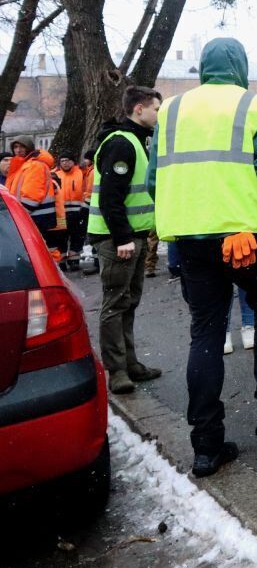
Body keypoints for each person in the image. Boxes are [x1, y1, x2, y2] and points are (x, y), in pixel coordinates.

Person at [149, 38, 257, 478]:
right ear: (239, 67)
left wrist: (180, 225)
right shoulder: (254, 107)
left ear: (202, 68)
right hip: (248, 237)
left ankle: (206, 446)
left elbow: (154, 180)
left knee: (205, 334)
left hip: (192, 239)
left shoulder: (170, 111)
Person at [86, 86, 165, 394]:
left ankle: (130, 363)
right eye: (155, 109)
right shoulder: (121, 143)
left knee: (128, 303)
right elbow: (110, 197)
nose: (159, 114)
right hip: (118, 239)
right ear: (139, 109)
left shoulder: (135, 141)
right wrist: (121, 237)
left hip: (134, 236)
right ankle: (117, 370)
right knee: (116, 303)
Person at [8, 136, 59, 250]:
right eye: (15, 147)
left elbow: (32, 196)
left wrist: (19, 214)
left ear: (29, 148)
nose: (18, 150)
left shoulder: (34, 165)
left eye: (22, 146)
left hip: (36, 216)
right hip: (36, 215)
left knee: (39, 251)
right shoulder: (25, 165)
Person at [54, 153, 89, 269]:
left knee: (77, 235)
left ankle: (74, 259)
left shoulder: (81, 173)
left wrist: (84, 208)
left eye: (68, 160)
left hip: (78, 212)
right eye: (62, 160)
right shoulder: (54, 174)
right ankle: (62, 259)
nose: (65, 163)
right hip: (60, 213)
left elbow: (87, 190)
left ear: (73, 162)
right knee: (60, 236)